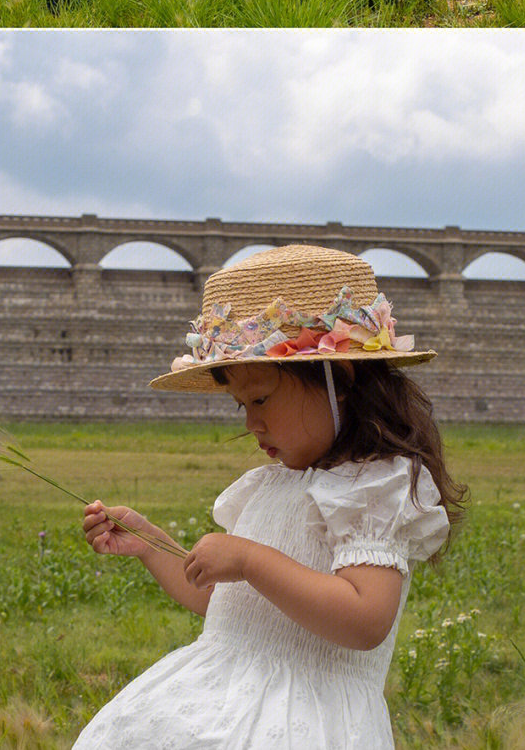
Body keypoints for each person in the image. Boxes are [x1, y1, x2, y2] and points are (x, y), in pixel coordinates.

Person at [74, 243, 466, 750]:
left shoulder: (371, 488)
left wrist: (251, 559)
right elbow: (229, 605)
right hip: (223, 693)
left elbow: (366, 617)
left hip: (306, 718)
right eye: (241, 404)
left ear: (338, 379)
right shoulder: (272, 483)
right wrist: (151, 544)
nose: (251, 422)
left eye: (260, 399)